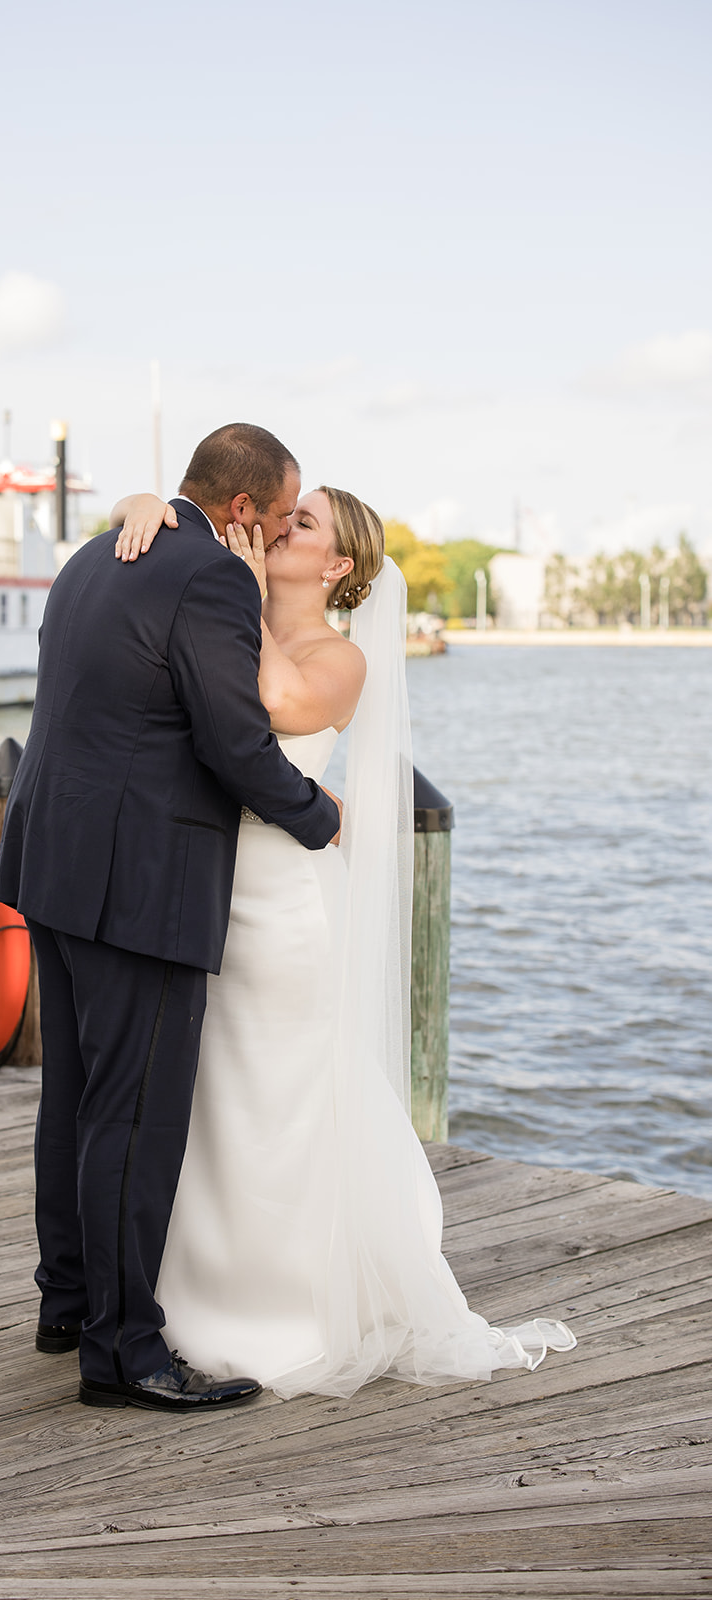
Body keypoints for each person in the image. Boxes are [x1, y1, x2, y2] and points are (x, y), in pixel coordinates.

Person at [112, 485, 576, 1397]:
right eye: (287, 512)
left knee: (278, 1095)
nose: (285, 525)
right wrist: (150, 503)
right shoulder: (227, 603)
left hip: (284, 908)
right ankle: (191, 1293)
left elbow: (270, 701)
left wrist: (237, 588)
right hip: (205, 890)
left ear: (338, 568)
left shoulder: (338, 659)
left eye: (307, 523)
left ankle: (281, 1308)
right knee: (209, 1097)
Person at [0, 423, 342, 1411]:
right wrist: (319, 817)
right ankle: (124, 1353)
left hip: (53, 861)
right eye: (275, 523)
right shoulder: (214, 578)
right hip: (135, 880)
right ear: (242, 510)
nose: (272, 544)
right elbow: (233, 740)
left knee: (72, 1101)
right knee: (130, 1117)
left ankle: (66, 1303)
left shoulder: (94, 554)